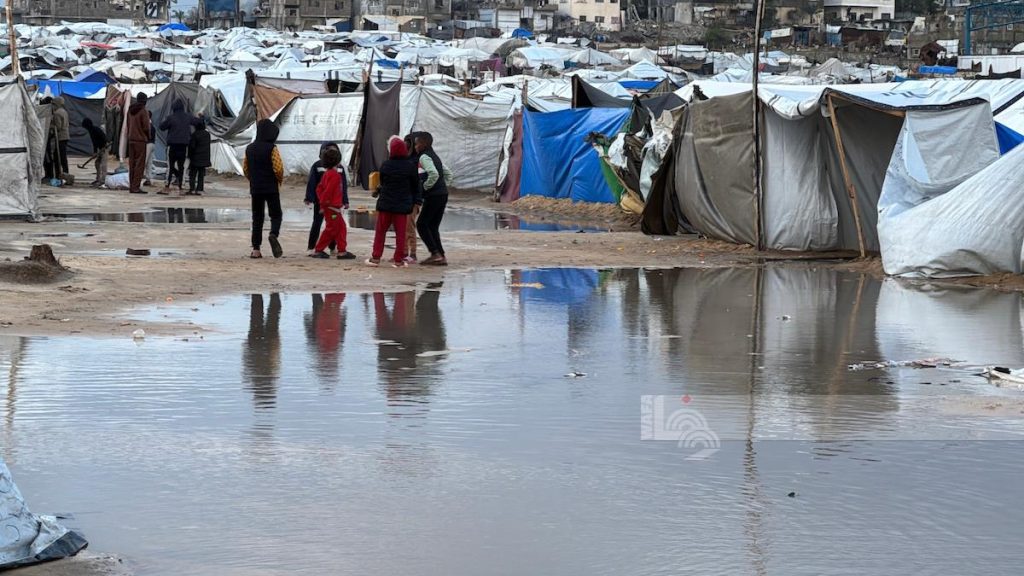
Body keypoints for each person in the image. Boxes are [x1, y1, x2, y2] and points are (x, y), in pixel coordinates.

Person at [366, 136, 418, 267]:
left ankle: (376, 258)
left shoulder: (385, 165)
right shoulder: (410, 166)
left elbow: (383, 182)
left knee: (380, 231)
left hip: (386, 204)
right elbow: (415, 185)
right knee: (400, 234)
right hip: (402, 206)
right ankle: (398, 260)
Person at [243, 119, 285, 259]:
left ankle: (256, 249)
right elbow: (278, 168)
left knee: (257, 217)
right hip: (271, 187)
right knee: (276, 214)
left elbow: (246, 169)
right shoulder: (272, 148)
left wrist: (253, 179)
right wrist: (279, 180)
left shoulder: (249, 148)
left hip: (256, 188)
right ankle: (273, 234)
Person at [414, 132, 453, 266]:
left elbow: (434, 174)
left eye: (417, 143)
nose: (415, 146)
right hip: (442, 194)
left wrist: (425, 187)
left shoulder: (424, 157)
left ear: (424, 144)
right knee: (432, 226)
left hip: (434, 195)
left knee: (421, 224)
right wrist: (443, 186)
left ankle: (435, 253)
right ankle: (440, 255)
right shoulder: (435, 156)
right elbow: (448, 173)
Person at [311, 147, 355, 260]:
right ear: (338, 161)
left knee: (340, 228)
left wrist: (322, 204)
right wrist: (323, 204)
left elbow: (319, 189)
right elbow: (328, 191)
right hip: (332, 208)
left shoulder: (327, 174)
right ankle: (319, 249)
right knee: (332, 229)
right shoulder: (334, 175)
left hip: (330, 208)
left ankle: (341, 250)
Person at [305, 142, 342, 254]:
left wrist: (345, 200)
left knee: (333, 225)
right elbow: (313, 183)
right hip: (322, 203)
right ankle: (312, 247)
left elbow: (342, 186)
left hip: (333, 204)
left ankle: (332, 247)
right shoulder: (317, 166)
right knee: (318, 223)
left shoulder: (340, 169)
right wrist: (309, 197)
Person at [160, 99, 192, 194]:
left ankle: (167, 184)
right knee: (182, 166)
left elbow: (162, 127)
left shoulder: (171, 117)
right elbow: (197, 122)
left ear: (173, 107)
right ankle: (181, 186)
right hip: (184, 145)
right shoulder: (188, 117)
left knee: (170, 166)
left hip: (172, 145)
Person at [403, 132, 426, 263]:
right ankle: (405, 252)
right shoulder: (406, 161)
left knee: (409, 226)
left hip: (412, 200)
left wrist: (417, 200)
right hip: (405, 199)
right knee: (404, 227)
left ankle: (413, 253)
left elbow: (418, 183)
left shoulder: (417, 162)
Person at [126, 93, 151, 194]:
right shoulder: (143, 111)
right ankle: (136, 187)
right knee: (139, 165)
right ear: (144, 101)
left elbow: (127, 124)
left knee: (132, 164)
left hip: (131, 139)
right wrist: (148, 136)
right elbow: (146, 127)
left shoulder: (130, 111)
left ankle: (131, 186)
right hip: (140, 140)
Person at [81, 117, 108, 187]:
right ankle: (98, 178)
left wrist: (104, 147)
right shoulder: (91, 131)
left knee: (103, 164)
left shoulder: (96, 129)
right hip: (100, 148)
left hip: (105, 147)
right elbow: (94, 143)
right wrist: (95, 152)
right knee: (97, 163)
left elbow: (104, 137)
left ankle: (103, 180)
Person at [187, 118, 211, 195]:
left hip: (195, 158)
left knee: (193, 174)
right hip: (204, 158)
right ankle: (200, 189)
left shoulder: (195, 135)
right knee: (201, 174)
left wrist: (189, 155)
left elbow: (192, 147)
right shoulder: (207, 135)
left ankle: (192, 189)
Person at [51, 97, 70, 177]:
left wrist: (51, 126)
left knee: (58, 157)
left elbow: (58, 127)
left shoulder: (57, 113)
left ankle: (60, 174)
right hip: (65, 136)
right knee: (63, 156)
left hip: (60, 137)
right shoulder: (64, 111)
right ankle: (65, 173)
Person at [144, 111, 155, 186]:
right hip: (152, 144)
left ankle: (140, 177)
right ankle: (148, 179)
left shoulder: (148, 125)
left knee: (144, 161)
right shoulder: (152, 125)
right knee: (149, 163)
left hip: (148, 144)